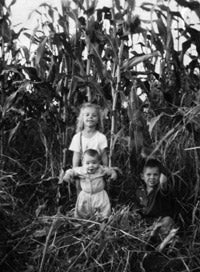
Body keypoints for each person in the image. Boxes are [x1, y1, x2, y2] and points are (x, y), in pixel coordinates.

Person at [62, 149, 117, 220]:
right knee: (82, 209)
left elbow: (110, 170)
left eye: (94, 163)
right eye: (87, 163)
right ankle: (81, 221)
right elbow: (72, 171)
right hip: (85, 195)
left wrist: (113, 174)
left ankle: (103, 220)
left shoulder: (101, 169)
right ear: (82, 162)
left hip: (99, 194)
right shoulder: (81, 170)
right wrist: (67, 175)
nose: (91, 165)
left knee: (103, 209)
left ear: (99, 162)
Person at [136, 158, 177, 250]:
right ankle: (150, 243)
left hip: (161, 221)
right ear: (142, 176)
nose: (152, 177)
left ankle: (160, 244)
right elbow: (137, 208)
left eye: (155, 175)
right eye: (149, 174)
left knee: (167, 221)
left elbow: (166, 177)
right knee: (138, 226)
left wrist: (163, 175)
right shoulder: (139, 191)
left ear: (160, 176)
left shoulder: (161, 189)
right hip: (147, 222)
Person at [69, 103, 108, 195]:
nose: (90, 117)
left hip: (97, 172)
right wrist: (75, 172)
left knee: (98, 193)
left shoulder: (101, 137)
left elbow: (104, 156)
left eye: (94, 115)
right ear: (82, 118)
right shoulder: (77, 137)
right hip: (83, 172)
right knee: (82, 193)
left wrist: (106, 170)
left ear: (98, 119)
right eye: (87, 115)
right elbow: (76, 156)